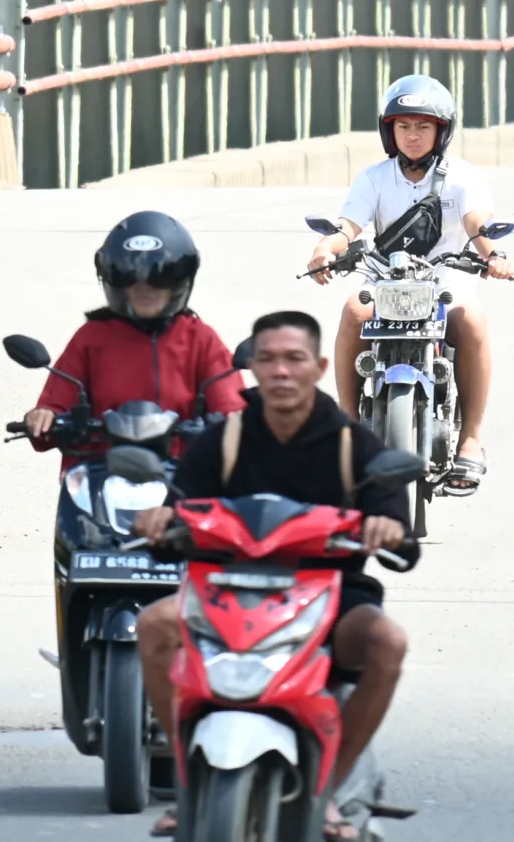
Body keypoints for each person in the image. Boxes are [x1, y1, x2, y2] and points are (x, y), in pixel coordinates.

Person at [133, 312, 413, 842]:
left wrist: (388, 526)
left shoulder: (354, 444)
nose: (281, 372)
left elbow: (396, 519)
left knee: (387, 643)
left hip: (330, 595)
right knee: (153, 624)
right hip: (226, 588)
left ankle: (328, 790)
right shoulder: (225, 438)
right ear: (253, 367)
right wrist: (160, 519)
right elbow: (179, 506)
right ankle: (188, 782)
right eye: (269, 359)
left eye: (294, 359)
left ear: (320, 367)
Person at [305, 75, 513, 491]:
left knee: (470, 319)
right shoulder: (374, 178)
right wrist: (322, 250)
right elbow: (348, 226)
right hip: (386, 271)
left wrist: (493, 255)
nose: (413, 136)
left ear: (441, 131)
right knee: (353, 309)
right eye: (403, 126)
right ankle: (348, 426)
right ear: (389, 130)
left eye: (423, 126)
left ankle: (471, 440)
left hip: (446, 273)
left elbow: (476, 223)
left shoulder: (462, 177)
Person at [20, 211, 246, 447]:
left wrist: (235, 419)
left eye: (159, 279)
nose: (145, 289)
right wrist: (44, 415)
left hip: (180, 472)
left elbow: (231, 406)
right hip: (100, 467)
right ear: (114, 281)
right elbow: (56, 403)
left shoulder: (200, 338)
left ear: (179, 282)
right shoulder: (91, 338)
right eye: (130, 279)